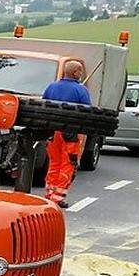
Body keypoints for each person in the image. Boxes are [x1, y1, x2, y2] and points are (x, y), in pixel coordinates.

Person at [40, 60, 92, 208]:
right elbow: (88, 112)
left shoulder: (52, 87)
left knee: (54, 163)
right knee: (68, 164)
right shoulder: (81, 90)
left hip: (52, 131)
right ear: (75, 73)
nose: (81, 74)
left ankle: (49, 194)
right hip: (72, 133)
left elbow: (44, 105)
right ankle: (58, 197)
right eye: (80, 71)